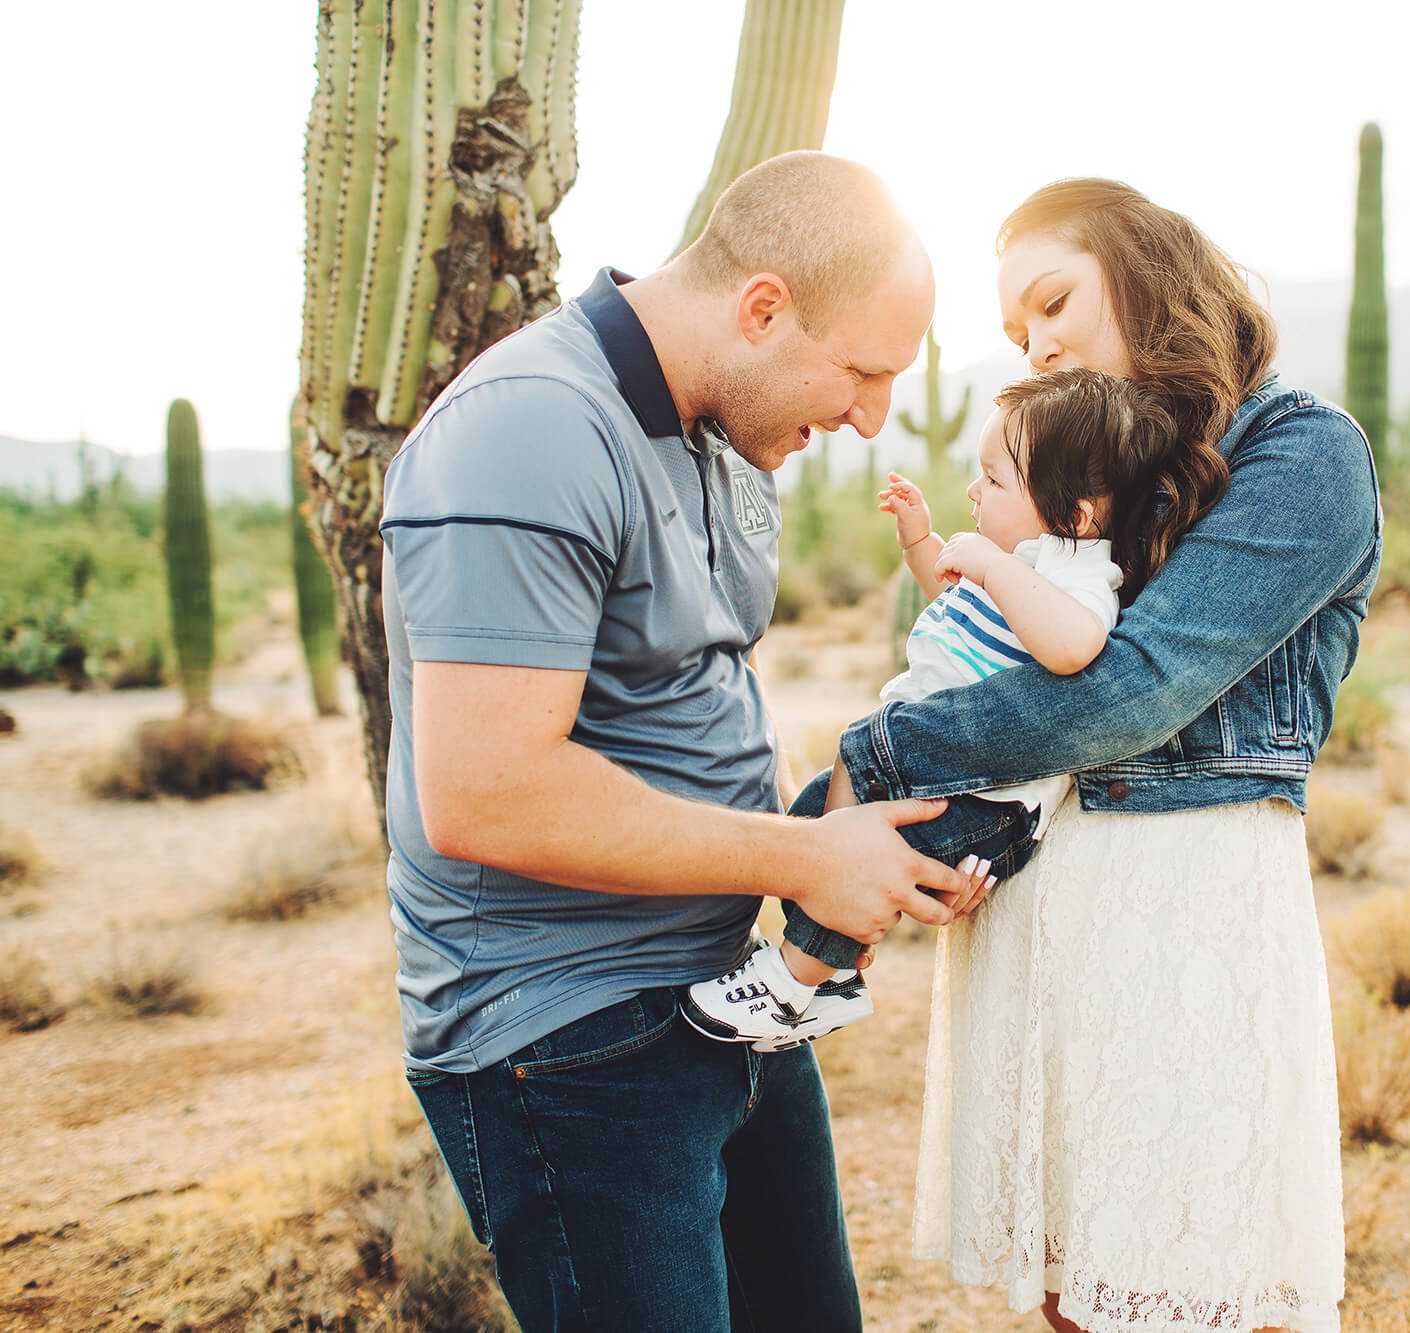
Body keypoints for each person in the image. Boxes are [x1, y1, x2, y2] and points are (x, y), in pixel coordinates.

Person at [376, 151, 987, 1332]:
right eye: (859, 373)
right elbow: (486, 795)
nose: (867, 417)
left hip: (726, 994)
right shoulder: (531, 428)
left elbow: (676, 696)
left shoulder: (724, 430)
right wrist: (804, 860)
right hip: (566, 1039)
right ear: (761, 308)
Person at [826, 179, 1382, 1333]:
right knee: (1073, 1293)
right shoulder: (1089, 465)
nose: (1037, 343)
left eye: (1052, 298)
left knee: (1202, 1279)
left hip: (1179, 913)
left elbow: (1129, 697)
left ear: (1147, 270)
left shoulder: (1302, 453)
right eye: (1018, 331)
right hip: (1042, 894)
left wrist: (879, 750)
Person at [682, 369, 1179, 1049]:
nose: (975, 490)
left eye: (996, 480)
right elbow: (953, 599)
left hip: (976, 799)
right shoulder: (1016, 559)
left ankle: (791, 985)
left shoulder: (1080, 575)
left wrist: (999, 570)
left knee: (852, 856)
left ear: (1075, 514)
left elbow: (1072, 647)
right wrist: (924, 542)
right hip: (925, 770)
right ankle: (837, 977)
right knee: (808, 835)